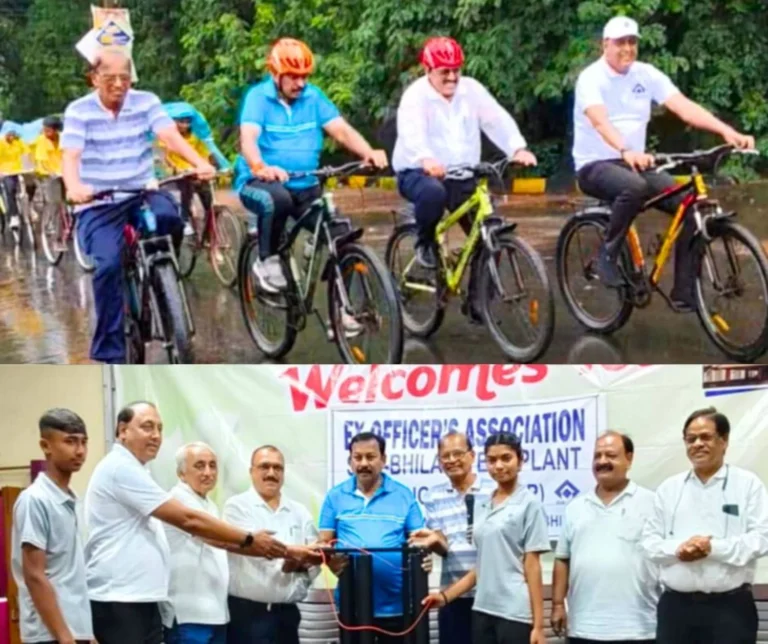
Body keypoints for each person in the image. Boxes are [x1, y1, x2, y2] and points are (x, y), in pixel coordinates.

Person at [84, 401, 304, 644]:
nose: (156, 435)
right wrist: (251, 539)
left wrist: (279, 549)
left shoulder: (200, 500)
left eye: (159, 428)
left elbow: (219, 541)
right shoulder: (124, 470)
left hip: (160, 603)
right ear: (122, 430)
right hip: (130, 600)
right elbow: (192, 523)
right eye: (147, 427)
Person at [573, 16, 754, 308]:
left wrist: (726, 131)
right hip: (596, 165)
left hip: (637, 164)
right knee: (633, 188)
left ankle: (683, 291)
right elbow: (599, 121)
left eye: (632, 42)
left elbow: (683, 106)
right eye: (620, 42)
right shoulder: (591, 79)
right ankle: (607, 256)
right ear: (605, 45)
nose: (627, 49)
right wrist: (625, 150)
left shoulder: (645, 74)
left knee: (691, 207)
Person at [61, 48, 216, 364]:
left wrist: (200, 162)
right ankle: (110, 353)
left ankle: (164, 282)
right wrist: (74, 187)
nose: (119, 85)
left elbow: (169, 135)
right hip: (99, 202)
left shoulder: (146, 101)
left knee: (171, 219)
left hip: (141, 190)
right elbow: (71, 155)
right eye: (110, 78)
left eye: (125, 77)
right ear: (94, 79)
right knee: (107, 266)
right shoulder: (79, 111)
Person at [234, 37, 387, 293]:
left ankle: (344, 312)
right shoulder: (257, 98)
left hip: (306, 186)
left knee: (341, 233)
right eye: (293, 77)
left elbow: (341, 131)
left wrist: (368, 152)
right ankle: (266, 260)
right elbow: (248, 137)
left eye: (304, 76)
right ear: (275, 73)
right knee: (278, 201)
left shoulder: (313, 97)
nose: (300, 83)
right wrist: (261, 167)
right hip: (259, 182)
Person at [391, 37, 537, 279]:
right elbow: (411, 132)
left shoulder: (471, 90)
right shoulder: (415, 97)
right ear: (428, 70)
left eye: (456, 70)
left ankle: (478, 303)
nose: (452, 78)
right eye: (444, 72)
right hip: (418, 173)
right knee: (433, 193)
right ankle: (424, 242)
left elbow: (496, 119)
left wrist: (517, 149)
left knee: (489, 232)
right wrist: (425, 158)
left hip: (461, 175)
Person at [641, 407, 768, 644]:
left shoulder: (748, 485)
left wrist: (713, 549)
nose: (697, 444)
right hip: (676, 609)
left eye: (705, 437)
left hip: (730, 609)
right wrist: (680, 550)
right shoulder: (669, 489)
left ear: (724, 441)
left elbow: (761, 539)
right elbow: (649, 543)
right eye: (691, 439)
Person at [423, 432, 549, 644]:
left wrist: (538, 626)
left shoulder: (529, 504)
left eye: (506, 458)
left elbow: (533, 566)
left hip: (513, 610)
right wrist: (445, 597)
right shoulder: (484, 504)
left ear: (520, 460)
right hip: (482, 609)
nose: (499, 466)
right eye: (492, 460)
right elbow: (482, 566)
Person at [552, 431, 659, 644]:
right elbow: (562, 559)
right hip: (584, 628)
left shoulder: (653, 504)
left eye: (610, 455)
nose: (602, 461)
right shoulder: (575, 507)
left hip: (639, 628)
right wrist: (557, 605)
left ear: (629, 458)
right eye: (597, 456)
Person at [319, 432, 426, 644]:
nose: (364, 463)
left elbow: (420, 541)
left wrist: (425, 557)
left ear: (383, 460)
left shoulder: (403, 495)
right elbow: (324, 543)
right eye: (357, 458)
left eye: (371, 457)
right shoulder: (335, 496)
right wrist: (330, 561)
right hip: (353, 607)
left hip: (398, 606)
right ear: (350, 461)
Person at [224, 445, 326, 644]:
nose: (271, 473)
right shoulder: (236, 507)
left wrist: (299, 569)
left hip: (288, 615)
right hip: (247, 616)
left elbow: (315, 558)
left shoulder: (300, 511)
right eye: (264, 466)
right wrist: (292, 557)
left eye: (277, 468)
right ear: (251, 471)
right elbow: (256, 550)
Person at [11, 409, 93, 644]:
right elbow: (35, 575)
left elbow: (69, 573)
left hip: (74, 630)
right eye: (70, 442)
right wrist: (65, 637)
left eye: (83, 442)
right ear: (45, 446)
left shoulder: (70, 500)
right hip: (50, 635)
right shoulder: (35, 499)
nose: (80, 451)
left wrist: (86, 633)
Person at [408, 431, 495, 644]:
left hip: (492, 596)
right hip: (452, 596)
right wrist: (434, 542)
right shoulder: (434, 495)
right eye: (445, 456)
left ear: (472, 456)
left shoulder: (493, 490)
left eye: (458, 453)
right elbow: (443, 547)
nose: (451, 460)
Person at [161, 442, 229, 644]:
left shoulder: (210, 504)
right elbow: (215, 538)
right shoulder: (177, 499)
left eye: (212, 465)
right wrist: (255, 543)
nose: (208, 472)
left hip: (215, 613)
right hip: (188, 616)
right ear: (181, 474)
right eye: (199, 466)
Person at [158, 116, 217, 236]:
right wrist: (176, 168)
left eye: (188, 122)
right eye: (181, 122)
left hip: (196, 169)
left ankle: (211, 217)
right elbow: (166, 157)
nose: (185, 125)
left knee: (206, 193)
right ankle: (185, 220)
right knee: (186, 192)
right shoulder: (167, 137)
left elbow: (204, 152)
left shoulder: (195, 137)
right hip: (181, 171)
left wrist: (207, 164)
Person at [34, 115, 65, 234]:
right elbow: (43, 161)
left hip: (62, 172)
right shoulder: (42, 140)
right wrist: (53, 173)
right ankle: (50, 224)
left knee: (73, 198)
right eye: (45, 129)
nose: (46, 132)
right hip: (47, 174)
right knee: (55, 200)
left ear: (56, 130)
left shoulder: (62, 138)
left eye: (49, 130)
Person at [0, 129, 28, 230]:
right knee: (10, 191)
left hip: (20, 170)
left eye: (13, 135)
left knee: (31, 185)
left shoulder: (19, 143)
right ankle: (14, 216)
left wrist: (29, 167)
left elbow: (26, 154)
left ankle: (31, 209)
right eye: (9, 135)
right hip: (6, 172)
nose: (11, 137)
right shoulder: (1, 144)